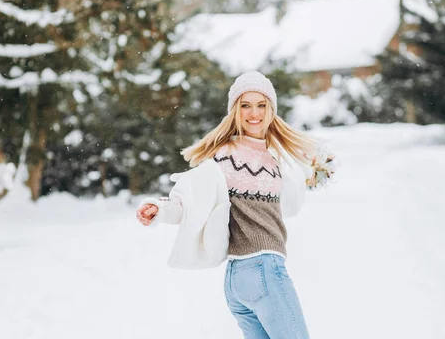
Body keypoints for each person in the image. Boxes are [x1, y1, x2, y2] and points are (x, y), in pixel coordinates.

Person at [136, 71, 325, 339]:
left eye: (261, 105)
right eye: (245, 105)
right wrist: (160, 208)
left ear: (271, 110)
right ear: (234, 111)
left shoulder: (271, 160)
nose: (254, 113)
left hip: (237, 280)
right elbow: (188, 199)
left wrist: (304, 169)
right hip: (264, 271)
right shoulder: (225, 158)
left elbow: (289, 207)